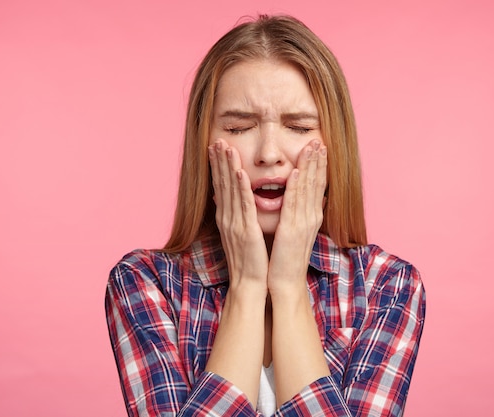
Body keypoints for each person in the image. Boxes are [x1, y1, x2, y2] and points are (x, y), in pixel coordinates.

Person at [105, 14, 425, 417]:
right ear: (204, 141)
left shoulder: (388, 285)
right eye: (239, 128)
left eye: (298, 126)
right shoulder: (144, 283)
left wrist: (289, 287)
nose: (269, 153)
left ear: (333, 142)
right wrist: (247, 287)